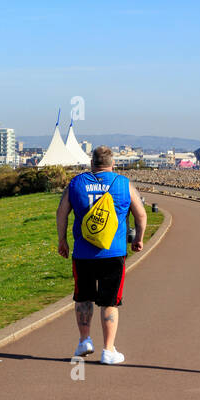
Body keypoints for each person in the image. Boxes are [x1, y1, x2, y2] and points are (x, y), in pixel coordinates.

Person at [56, 146, 148, 364]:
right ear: (112, 163)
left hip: (83, 253)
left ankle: (84, 340)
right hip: (113, 253)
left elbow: (61, 213)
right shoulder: (123, 183)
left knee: (83, 297)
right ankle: (108, 350)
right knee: (109, 302)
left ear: (92, 163)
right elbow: (141, 215)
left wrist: (62, 240)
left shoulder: (76, 183)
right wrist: (138, 239)